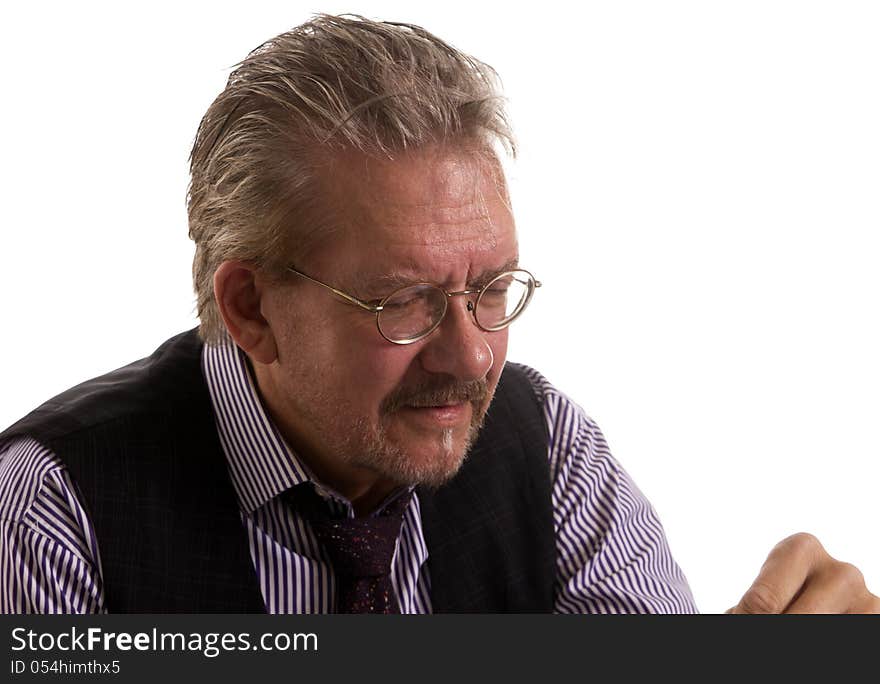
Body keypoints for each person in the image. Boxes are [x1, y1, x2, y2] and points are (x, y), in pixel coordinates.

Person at [0, 14, 876, 614]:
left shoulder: (548, 452)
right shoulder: (53, 510)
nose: (469, 357)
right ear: (251, 307)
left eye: (491, 289)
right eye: (404, 302)